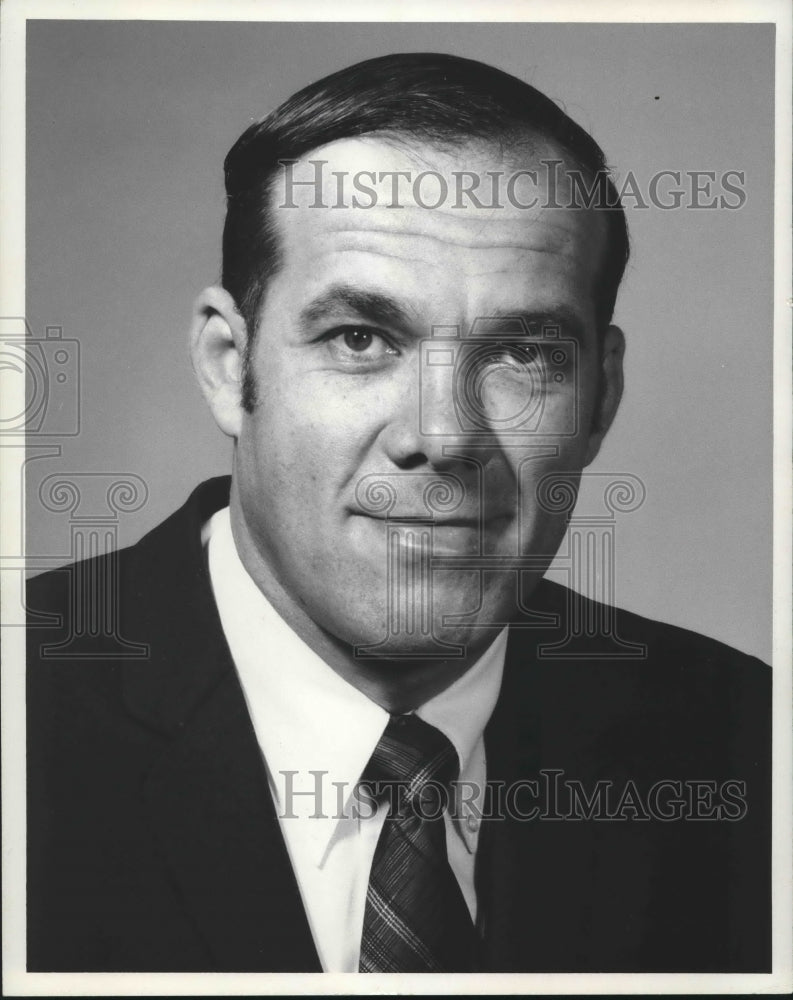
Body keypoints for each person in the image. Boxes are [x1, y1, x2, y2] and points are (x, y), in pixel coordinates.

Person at [26, 52, 770, 974]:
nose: (443, 436)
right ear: (229, 364)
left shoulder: (748, 751)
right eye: (362, 339)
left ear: (601, 396)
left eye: (523, 354)